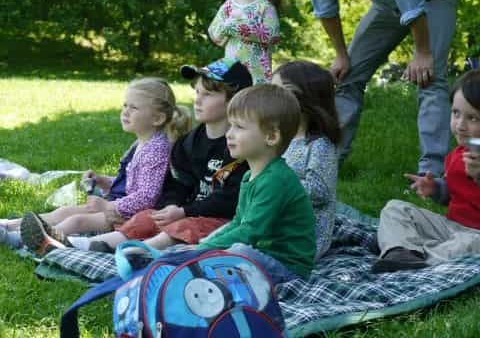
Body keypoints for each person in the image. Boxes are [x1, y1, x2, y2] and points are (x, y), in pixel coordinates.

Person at [23, 58, 252, 254]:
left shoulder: (239, 145)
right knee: (146, 218)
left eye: (208, 94)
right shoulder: (189, 142)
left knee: (183, 228)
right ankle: (82, 245)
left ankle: (128, 253)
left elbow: (230, 198)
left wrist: (183, 212)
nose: (198, 99)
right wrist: (169, 207)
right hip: (184, 211)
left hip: (217, 219)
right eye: (197, 92)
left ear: (235, 100)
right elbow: (177, 184)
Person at [16, 78, 191, 255]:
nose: (125, 112)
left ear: (158, 118)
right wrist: (104, 181)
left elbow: (147, 197)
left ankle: (39, 241)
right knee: (66, 211)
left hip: (135, 215)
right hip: (126, 207)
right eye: (125, 106)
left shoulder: (156, 149)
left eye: (134, 108)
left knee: (77, 221)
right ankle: (19, 228)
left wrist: (109, 207)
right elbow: (135, 182)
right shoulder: (143, 142)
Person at [303, 0, 458, 176]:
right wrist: (341, 55)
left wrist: (423, 52)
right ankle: (327, 164)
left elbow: (411, 2)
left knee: (429, 77)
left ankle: (431, 176)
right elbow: (325, 9)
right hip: (389, 4)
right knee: (347, 76)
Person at [196, 84, 316, 283]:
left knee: (237, 252)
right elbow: (238, 223)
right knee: (218, 250)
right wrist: (205, 244)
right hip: (262, 255)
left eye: (239, 127)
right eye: (230, 125)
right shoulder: (249, 176)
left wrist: (203, 251)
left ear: (271, 137)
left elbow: (250, 232)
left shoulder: (276, 180)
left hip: (287, 268)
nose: (229, 134)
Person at [372, 70, 480, 273]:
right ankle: (400, 251)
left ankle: (415, 258)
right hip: (450, 226)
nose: (460, 125)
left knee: (466, 244)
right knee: (395, 209)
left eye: (472, 118)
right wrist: (436, 188)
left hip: (475, 235)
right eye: (456, 113)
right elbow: (455, 191)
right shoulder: (457, 154)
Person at [272, 60, 340, 258]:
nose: (273, 98)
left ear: (308, 96)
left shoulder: (319, 144)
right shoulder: (281, 139)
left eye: (282, 91)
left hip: (304, 239)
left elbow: (319, 191)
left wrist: (274, 184)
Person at [208, 0, 281, 84]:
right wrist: (225, 29)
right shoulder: (229, 4)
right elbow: (214, 33)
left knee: (255, 99)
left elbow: (272, 34)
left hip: (257, 74)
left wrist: (236, 28)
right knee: (234, 98)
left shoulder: (265, 5)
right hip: (232, 69)